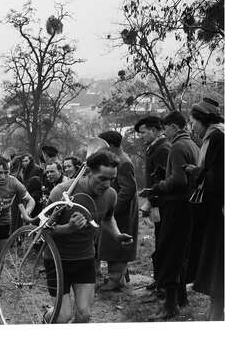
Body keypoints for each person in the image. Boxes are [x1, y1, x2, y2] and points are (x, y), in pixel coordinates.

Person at [45, 150, 133, 323]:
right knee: (63, 317)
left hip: (85, 259)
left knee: (84, 315)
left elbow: (107, 217)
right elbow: (43, 230)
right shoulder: (61, 192)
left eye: (111, 179)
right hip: (57, 261)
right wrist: (68, 228)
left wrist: (116, 235)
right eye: (102, 178)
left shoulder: (110, 195)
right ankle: (48, 316)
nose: (107, 184)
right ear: (88, 172)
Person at [148, 111, 199, 320]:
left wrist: (158, 185)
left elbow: (178, 180)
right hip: (189, 207)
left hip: (176, 206)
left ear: (174, 128)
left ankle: (170, 306)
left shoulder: (177, 146)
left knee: (169, 253)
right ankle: (181, 298)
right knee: (181, 254)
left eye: (166, 127)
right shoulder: (193, 145)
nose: (165, 131)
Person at [185, 98, 224, 320]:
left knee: (217, 263)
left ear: (203, 120)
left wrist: (195, 172)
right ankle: (215, 307)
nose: (192, 127)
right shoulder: (216, 136)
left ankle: (217, 311)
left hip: (218, 213)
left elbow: (217, 179)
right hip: (215, 211)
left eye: (193, 122)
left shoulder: (217, 138)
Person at [0, 156, 35, 303]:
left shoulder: (14, 182)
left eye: (6, 172)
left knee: (0, 259)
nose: (3, 176)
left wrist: (26, 213)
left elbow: (30, 200)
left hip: (4, 224)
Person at [97, 131, 139, 291]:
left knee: (118, 245)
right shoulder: (117, 159)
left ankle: (115, 279)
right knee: (112, 244)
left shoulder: (123, 162)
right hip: (118, 210)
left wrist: (112, 209)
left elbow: (128, 189)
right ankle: (119, 278)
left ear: (111, 145)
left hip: (122, 212)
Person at [134, 115, 171, 295]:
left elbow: (164, 180)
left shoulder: (163, 149)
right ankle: (160, 280)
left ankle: (163, 283)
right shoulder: (154, 148)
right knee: (159, 240)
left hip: (164, 204)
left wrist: (150, 201)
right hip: (157, 203)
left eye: (143, 132)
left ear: (155, 130)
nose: (141, 136)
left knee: (164, 243)